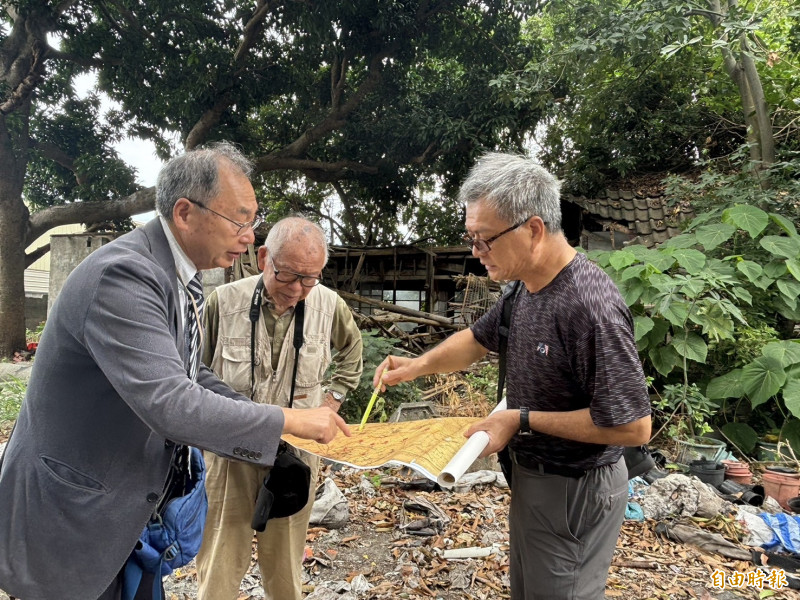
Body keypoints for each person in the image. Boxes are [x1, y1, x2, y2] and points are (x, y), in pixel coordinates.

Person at [0, 142, 349, 600]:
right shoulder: (125, 276)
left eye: (253, 222)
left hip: (129, 511)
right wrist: (288, 419)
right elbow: (171, 402)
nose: (249, 236)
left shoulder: (178, 276)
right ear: (185, 212)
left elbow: (190, 373)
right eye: (240, 220)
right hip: (78, 517)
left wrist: (265, 422)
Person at [374, 152, 651, 600]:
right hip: (534, 480)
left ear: (533, 229)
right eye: (471, 238)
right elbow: (478, 338)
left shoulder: (588, 305)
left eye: (483, 240)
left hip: (574, 490)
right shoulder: (526, 288)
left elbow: (634, 427)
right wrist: (416, 365)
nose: (474, 252)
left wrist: (520, 420)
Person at [195, 215, 363, 600]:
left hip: (297, 455)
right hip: (229, 453)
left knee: (286, 566)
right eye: (288, 275)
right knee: (219, 559)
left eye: (311, 278)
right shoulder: (222, 303)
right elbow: (193, 372)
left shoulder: (327, 304)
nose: (299, 289)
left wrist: (332, 401)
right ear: (263, 257)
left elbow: (353, 352)